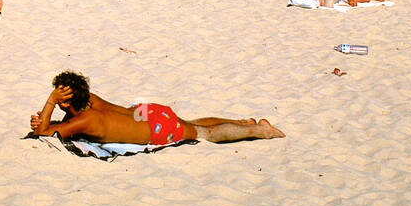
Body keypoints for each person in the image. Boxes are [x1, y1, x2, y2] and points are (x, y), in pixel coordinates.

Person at [28, 72, 283, 145]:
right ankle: (242, 122)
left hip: (155, 130)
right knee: (192, 123)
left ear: (65, 101)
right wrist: (50, 114)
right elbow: (55, 123)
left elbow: (45, 132)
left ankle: (262, 132)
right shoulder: (90, 99)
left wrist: (50, 103)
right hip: (147, 112)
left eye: (60, 97)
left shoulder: (83, 121)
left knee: (205, 134)